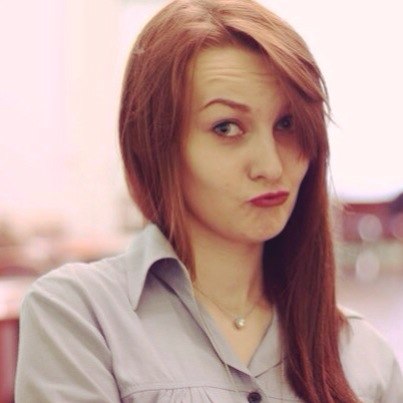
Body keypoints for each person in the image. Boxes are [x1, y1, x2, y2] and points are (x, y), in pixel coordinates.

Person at [15, 0, 403, 402]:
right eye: (227, 128)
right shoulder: (80, 317)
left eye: (287, 124)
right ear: (157, 145)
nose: (270, 166)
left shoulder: (363, 356)